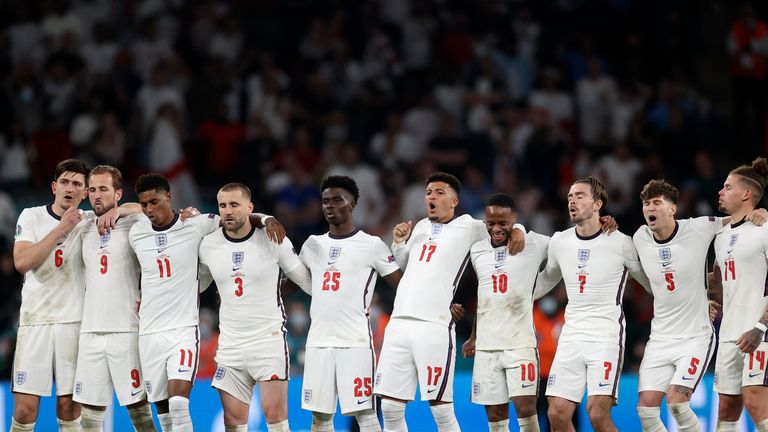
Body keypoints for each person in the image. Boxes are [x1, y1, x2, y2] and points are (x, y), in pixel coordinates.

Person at [129, 173, 283, 432]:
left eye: (154, 202)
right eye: (144, 204)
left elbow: (236, 217)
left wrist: (266, 218)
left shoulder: (198, 224)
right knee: (164, 413)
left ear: (169, 197)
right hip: (148, 333)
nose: (148, 210)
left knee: (178, 403)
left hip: (183, 330)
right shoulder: (137, 232)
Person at [374, 172, 525, 432]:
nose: (431, 196)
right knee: (390, 408)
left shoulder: (470, 226)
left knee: (441, 409)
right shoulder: (420, 226)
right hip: (399, 322)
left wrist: (519, 228)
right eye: (428, 192)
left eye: (439, 192)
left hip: (434, 325)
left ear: (454, 201)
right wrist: (398, 244)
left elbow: (500, 225)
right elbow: (405, 268)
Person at [534, 176, 650, 432]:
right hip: (571, 335)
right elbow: (545, 281)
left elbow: (650, 283)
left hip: (606, 336)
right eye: (569, 197)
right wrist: (512, 297)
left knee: (597, 415)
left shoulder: (621, 242)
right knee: (557, 413)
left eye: (579, 196)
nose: (572, 201)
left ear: (598, 204)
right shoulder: (560, 241)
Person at [199, 183, 309, 432]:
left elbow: (304, 280)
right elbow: (197, 284)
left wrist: (276, 292)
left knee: (276, 419)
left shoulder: (272, 238)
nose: (228, 211)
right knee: (233, 423)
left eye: (234, 205)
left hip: (267, 340)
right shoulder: (208, 245)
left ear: (249, 208)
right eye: (223, 205)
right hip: (230, 345)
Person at [632, 179, 740, 432]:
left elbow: (738, 219)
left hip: (695, 336)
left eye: (657, 203)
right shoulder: (639, 237)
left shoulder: (700, 228)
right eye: (647, 204)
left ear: (673, 209)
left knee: (677, 403)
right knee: (646, 410)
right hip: (660, 338)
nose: (651, 208)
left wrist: (760, 212)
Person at [299, 175, 402, 432]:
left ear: (353, 204)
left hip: (355, 343)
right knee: (320, 418)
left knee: (364, 414)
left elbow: (403, 286)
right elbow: (286, 287)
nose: (330, 206)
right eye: (325, 201)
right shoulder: (313, 245)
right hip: (318, 342)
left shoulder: (372, 245)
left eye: (337, 200)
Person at [11, 159, 91, 432]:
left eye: (77, 184)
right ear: (54, 186)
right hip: (36, 322)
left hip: (74, 323)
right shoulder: (31, 216)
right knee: (23, 411)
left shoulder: (90, 221)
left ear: (87, 192)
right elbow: (21, 262)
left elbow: (131, 209)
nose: (70, 188)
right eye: (65, 182)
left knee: (69, 409)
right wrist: (62, 228)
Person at [74, 165, 155, 432]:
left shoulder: (136, 223)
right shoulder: (84, 222)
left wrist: (119, 210)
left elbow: (154, 209)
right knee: (90, 416)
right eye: (92, 190)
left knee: (139, 413)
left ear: (118, 193)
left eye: (104, 190)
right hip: (90, 331)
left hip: (126, 329)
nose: (96, 195)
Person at [460, 193, 550, 432]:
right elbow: (485, 296)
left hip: (519, 344)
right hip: (487, 346)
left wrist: (537, 289)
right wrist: (473, 336)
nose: (497, 228)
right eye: (491, 223)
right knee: (496, 415)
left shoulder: (534, 243)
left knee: (525, 409)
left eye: (504, 223)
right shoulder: (477, 250)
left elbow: (568, 248)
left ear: (515, 218)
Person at [712, 158, 768, 432]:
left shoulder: (765, 228)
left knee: (756, 402)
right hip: (729, 334)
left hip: (760, 331)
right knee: (727, 409)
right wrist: (711, 300)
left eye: (727, 186)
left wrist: (760, 327)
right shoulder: (720, 236)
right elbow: (718, 280)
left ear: (747, 194)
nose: (721, 192)